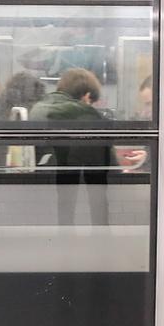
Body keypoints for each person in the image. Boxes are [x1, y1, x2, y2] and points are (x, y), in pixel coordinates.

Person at [32, 68, 113, 224]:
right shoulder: (85, 112)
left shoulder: (41, 105)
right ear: (87, 96)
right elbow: (103, 154)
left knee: (65, 205)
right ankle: (100, 237)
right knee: (97, 201)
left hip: (56, 168)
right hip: (82, 166)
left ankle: (65, 236)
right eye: (92, 102)